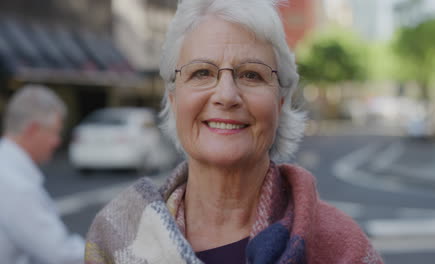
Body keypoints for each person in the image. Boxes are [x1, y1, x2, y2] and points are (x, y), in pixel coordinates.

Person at [85, 0, 384, 263]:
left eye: (251, 75)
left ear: (280, 104)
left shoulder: (344, 248)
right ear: (174, 101)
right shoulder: (114, 238)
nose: (226, 95)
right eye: (202, 72)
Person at [0, 85, 84, 264]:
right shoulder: (16, 186)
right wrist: (105, 250)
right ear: (32, 130)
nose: (58, 141)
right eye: (54, 132)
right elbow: (60, 254)